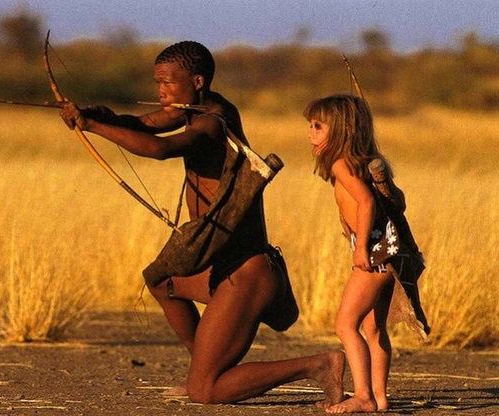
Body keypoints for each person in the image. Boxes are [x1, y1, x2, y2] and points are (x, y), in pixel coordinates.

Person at [58, 40, 345, 406]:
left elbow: (160, 148)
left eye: (167, 83)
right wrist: (100, 116)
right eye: (157, 83)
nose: (160, 91)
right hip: (226, 267)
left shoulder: (213, 122)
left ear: (196, 81)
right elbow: (145, 124)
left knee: (205, 392)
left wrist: (94, 126)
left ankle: (318, 366)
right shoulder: (195, 108)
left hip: (247, 273)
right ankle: (202, 365)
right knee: (161, 280)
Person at [303, 94, 429, 413]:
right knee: (373, 329)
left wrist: (360, 248)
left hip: (373, 253)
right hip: (387, 252)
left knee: (345, 324)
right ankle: (380, 398)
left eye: (318, 126)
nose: (310, 133)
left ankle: (362, 396)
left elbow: (367, 203)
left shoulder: (342, 163)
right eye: (310, 126)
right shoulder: (366, 162)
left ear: (342, 130)